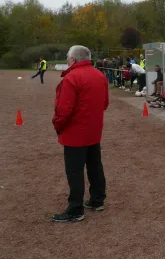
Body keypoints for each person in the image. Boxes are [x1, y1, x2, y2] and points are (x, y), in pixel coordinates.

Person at [51, 45, 108, 222]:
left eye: (68, 58)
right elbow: (105, 103)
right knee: (94, 166)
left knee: (74, 171)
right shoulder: (100, 76)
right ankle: (97, 199)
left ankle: (75, 208)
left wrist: (58, 125)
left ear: (73, 59)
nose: (67, 61)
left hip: (75, 132)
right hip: (93, 130)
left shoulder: (71, 78)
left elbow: (63, 109)